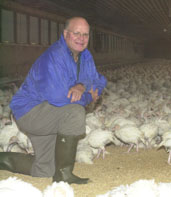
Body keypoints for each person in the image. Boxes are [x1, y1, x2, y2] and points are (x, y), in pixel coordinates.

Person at [0, 17, 107, 185]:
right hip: (31, 112)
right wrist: (88, 96)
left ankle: (2, 159)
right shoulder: (54, 56)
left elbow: (99, 81)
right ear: (65, 34)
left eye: (85, 34)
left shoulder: (85, 56)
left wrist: (81, 85)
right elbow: (59, 98)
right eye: (76, 33)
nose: (81, 38)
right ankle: (63, 175)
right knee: (74, 112)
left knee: (44, 169)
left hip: (49, 112)